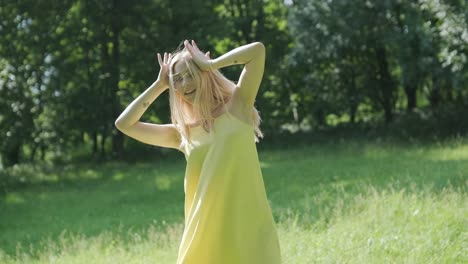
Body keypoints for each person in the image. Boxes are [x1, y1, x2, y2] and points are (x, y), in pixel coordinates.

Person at [115, 40, 282, 264]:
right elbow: (124, 124)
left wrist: (212, 63)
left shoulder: (238, 106)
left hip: (247, 225)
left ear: (204, 73)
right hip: (204, 233)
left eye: (190, 74)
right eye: (177, 80)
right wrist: (160, 84)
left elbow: (257, 51)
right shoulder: (181, 134)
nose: (184, 84)